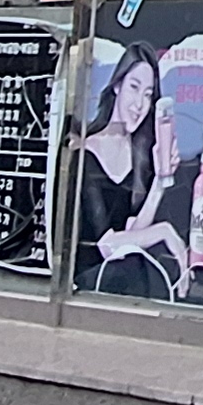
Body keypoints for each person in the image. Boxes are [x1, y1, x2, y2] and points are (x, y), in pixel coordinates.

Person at [73, 50, 187, 297]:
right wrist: (164, 231)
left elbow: (132, 234)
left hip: (121, 275)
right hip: (86, 282)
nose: (139, 105)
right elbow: (107, 244)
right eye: (134, 88)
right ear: (117, 86)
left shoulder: (139, 155)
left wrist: (159, 182)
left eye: (148, 95)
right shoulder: (85, 152)